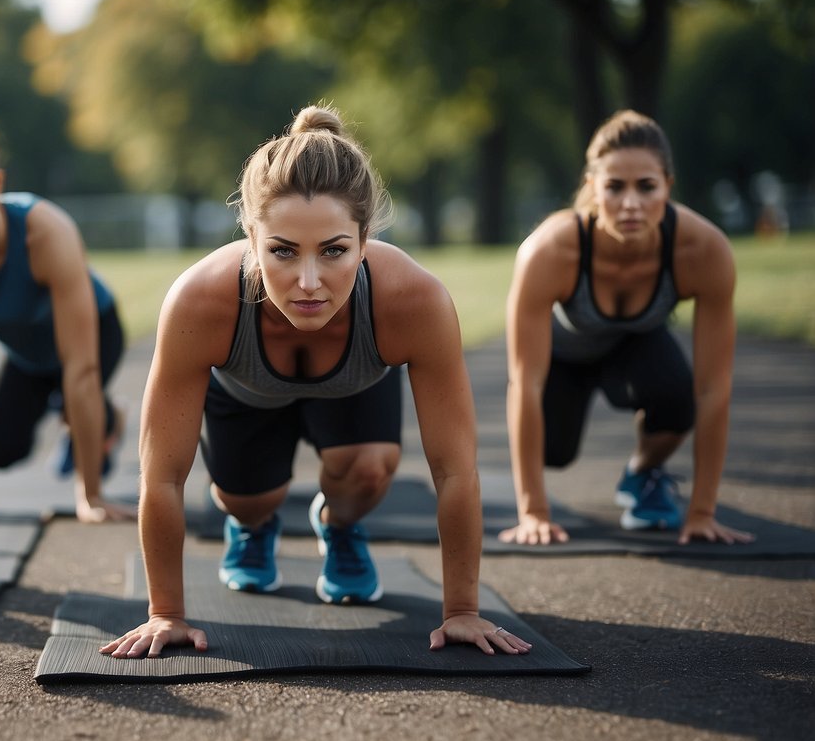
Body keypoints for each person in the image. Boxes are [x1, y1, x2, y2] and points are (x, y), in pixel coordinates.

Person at [102, 105, 532, 659]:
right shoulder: (200, 301)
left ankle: (339, 526)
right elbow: (161, 477)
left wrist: (462, 611)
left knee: (370, 468)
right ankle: (252, 527)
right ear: (251, 237)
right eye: (282, 251)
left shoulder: (413, 301)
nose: (309, 282)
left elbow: (455, 469)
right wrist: (165, 613)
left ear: (364, 239)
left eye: (334, 251)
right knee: (252, 502)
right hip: (245, 396)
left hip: (351, 390)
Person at [501, 109, 755, 546]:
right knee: (553, 452)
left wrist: (702, 512)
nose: (631, 203)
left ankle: (643, 473)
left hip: (635, 348)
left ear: (668, 187)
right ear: (592, 188)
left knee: (681, 398)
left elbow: (715, 388)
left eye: (647, 187)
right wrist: (533, 512)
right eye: (615, 187)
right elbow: (525, 383)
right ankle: (564, 475)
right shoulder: (549, 251)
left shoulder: (704, 249)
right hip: (564, 357)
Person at [0, 104, 132, 524]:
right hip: (28, 355)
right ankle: (73, 417)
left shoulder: (45, 231)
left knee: (78, 396)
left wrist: (90, 496)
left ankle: (106, 421)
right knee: (0, 452)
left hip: (94, 335)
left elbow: (82, 370)